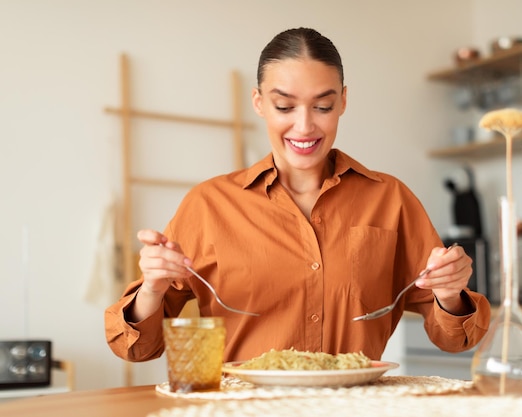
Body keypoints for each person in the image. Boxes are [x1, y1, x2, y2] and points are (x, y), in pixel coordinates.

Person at [105, 27, 490, 364]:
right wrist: (153, 288)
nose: (304, 126)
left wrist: (450, 293)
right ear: (258, 103)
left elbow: (455, 337)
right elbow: (137, 348)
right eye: (284, 106)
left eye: (322, 106)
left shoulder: (391, 200)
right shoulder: (208, 205)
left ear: (343, 101)